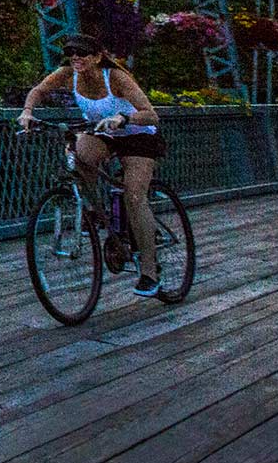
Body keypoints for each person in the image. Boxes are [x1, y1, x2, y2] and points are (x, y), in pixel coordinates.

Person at [18, 33, 167, 296]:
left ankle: (149, 272)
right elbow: (39, 90)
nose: (76, 57)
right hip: (103, 132)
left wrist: (123, 118)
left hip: (137, 135)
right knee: (78, 153)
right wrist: (28, 111)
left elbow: (150, 114)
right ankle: (94, 212)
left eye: (82, 53)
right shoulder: (67, 74)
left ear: (98, 57)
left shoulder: (116, 78)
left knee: (134, 197)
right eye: (71, 53)